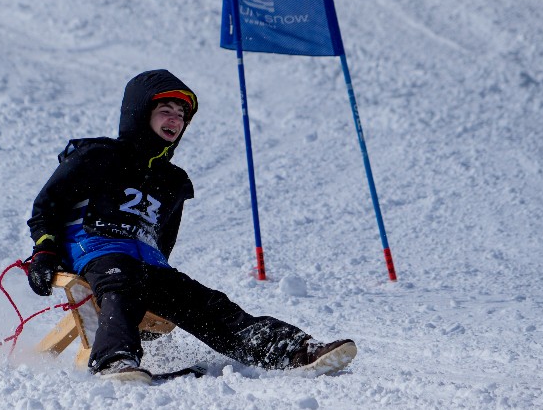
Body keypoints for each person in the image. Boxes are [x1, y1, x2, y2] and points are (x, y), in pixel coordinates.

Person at [25, 69, 355, 383]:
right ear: (141, 113)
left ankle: (293, 350)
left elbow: (161, 241)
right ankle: (112, 360)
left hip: (146, 265)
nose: (175, 121)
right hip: (95, 251)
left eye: (181, 116)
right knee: (121, 283)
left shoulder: (172, 182)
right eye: (165, 110)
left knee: (207, 303)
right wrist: (44, 252)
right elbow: (46, 206)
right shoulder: (97, 155)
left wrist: (157, 297)